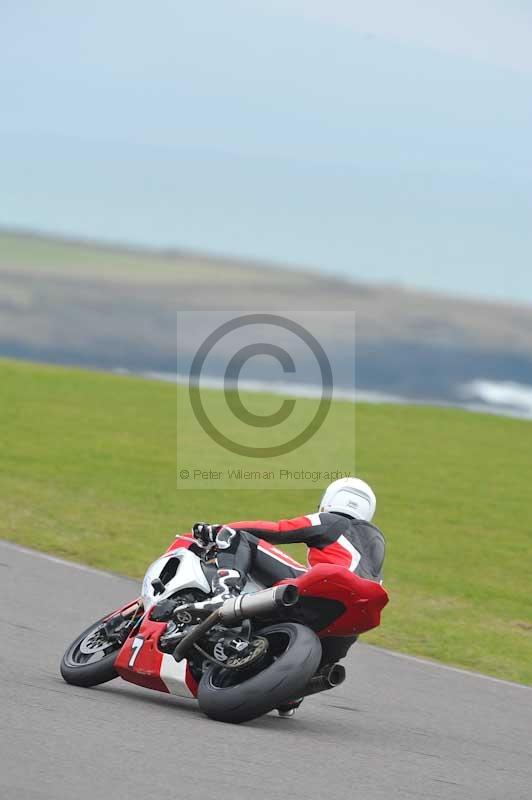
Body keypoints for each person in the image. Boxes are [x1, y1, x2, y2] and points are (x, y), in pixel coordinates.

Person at [190, 476, 386, 717]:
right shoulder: (377, 544)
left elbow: (279, 530)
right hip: (353, 617)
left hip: (324, 584)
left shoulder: (330, 521)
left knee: (235, 536)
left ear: (329, 501)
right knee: (330, 650)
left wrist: (216, 530)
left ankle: (224, 593)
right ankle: (294, 691)